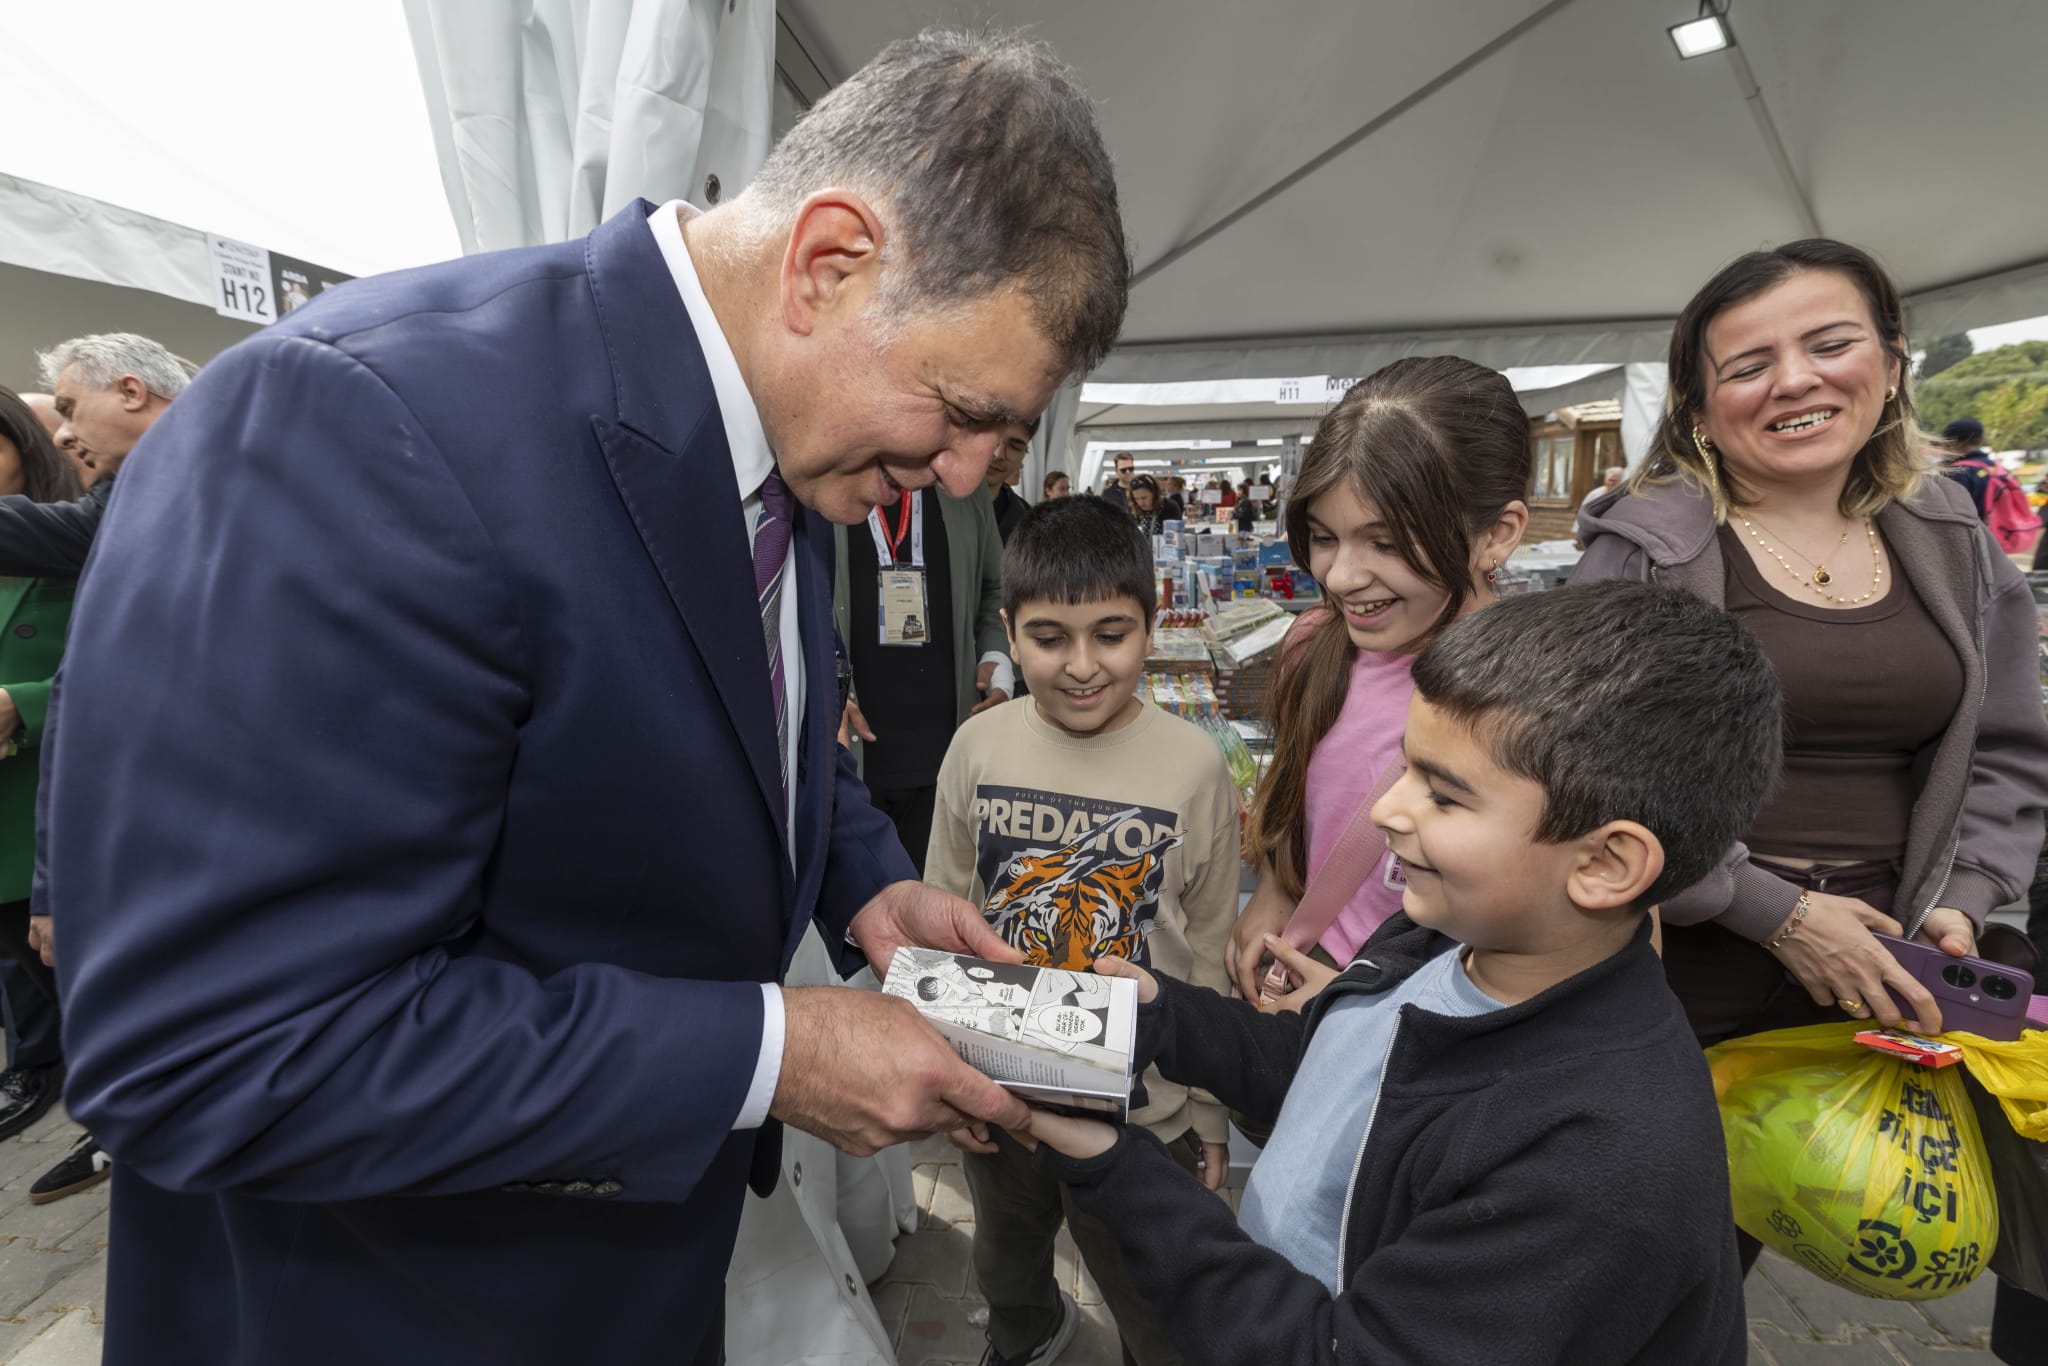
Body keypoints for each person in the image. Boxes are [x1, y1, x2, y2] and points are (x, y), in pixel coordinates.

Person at [44, 29, 1128, 1366]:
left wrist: (858, 878)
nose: (966, 480)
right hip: (395, 1306)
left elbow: (751, 715)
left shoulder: (807, 442)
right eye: (966, 413)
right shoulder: (370, 422)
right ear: (830, 263)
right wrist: (767, 1050)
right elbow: (213, 1048)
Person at [1019, 580, 1768, 1365]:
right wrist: (1162, 1014)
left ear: (1606, 864)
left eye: (1443, 795)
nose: (1388, 811)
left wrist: (1114, 1165)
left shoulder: (1596, 1165)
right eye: (1406, 769)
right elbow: (1332, 1070)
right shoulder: (1442, 937)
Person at [1571, 242, 2048, 1355]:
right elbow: (1589, 774)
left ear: (1887, 362)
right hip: (1685, 974)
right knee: (1655, 1294)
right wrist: (1775, 913)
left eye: (1827, 344)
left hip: (1899, 974)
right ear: (1697, 403)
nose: (1792, 380)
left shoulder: (1952, 541)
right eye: (1746, 363)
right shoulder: (1641, 554)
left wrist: (1960, 900)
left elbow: (2008, 753)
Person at [926, 496, 1237, 1366]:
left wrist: (1210, 1115)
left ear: (1150, 622)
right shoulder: (976, 747)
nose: (1083, 665)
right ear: (1010, 631)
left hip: (1149, 1109)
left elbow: (1209, 945)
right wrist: (949, 1078)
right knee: (1004, 1253)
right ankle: (1026, 1335)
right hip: (1004, 1094)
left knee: (1149, 1289)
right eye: (1050, 637)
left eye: (1112, 633)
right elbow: (942, 910)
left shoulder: (1195, 764)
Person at [1226, 357, 1530, 1012]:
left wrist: (1362, 1005)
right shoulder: (1315, 647)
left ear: (1496, 535)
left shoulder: (1544, 704)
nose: (1339, 577)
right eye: (1323, 538)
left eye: (1384, 542)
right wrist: (1277, 896)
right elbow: (1299, 799)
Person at [833, 480, 1013, 874]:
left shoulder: (963, 489)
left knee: (933, 911)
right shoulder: (831, 478)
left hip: (945, 754)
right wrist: (824, 692)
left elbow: (997, 586)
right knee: (854, 919)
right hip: (851, 752)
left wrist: (997, 656)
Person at [0, 388, 83, 1159]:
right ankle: (37, 1063)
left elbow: (117, 669)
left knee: (70, 950)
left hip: (54, 790)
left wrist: (21, 705)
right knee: (16, 949)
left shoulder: (70, 537)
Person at [986, 420, 1033, 543]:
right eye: (992, 439)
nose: (998, 454)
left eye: (1015, 447)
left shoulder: (1028, 522)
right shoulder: (934, 503)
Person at [1128, 472, 1164, 536]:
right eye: (1136, 499)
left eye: (1144, 498)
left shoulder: (1168, 507)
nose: (1140, 503)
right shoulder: (1134, 510)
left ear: (1154, 493)